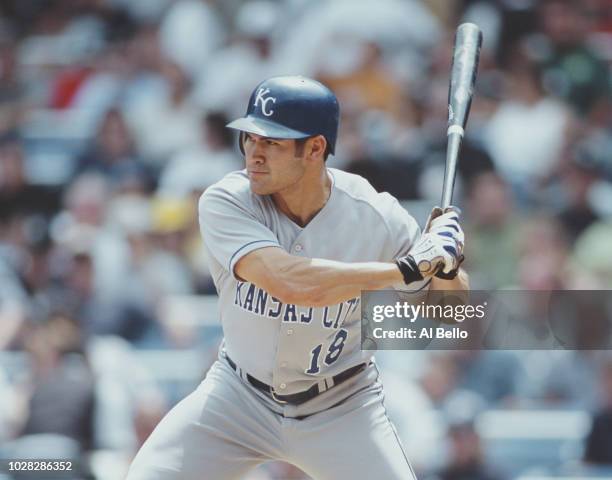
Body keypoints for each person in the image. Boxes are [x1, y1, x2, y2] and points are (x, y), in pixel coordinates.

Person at [126, 76, 468, 480]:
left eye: (272, 142)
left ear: (315, 148)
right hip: (238, 398)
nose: (254, 154)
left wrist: (446, 265)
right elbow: (292, 283)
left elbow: (452, 313)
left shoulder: (376, 215)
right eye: (250, 138)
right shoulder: (227, 200)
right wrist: (410, 268)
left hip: (342, 407)